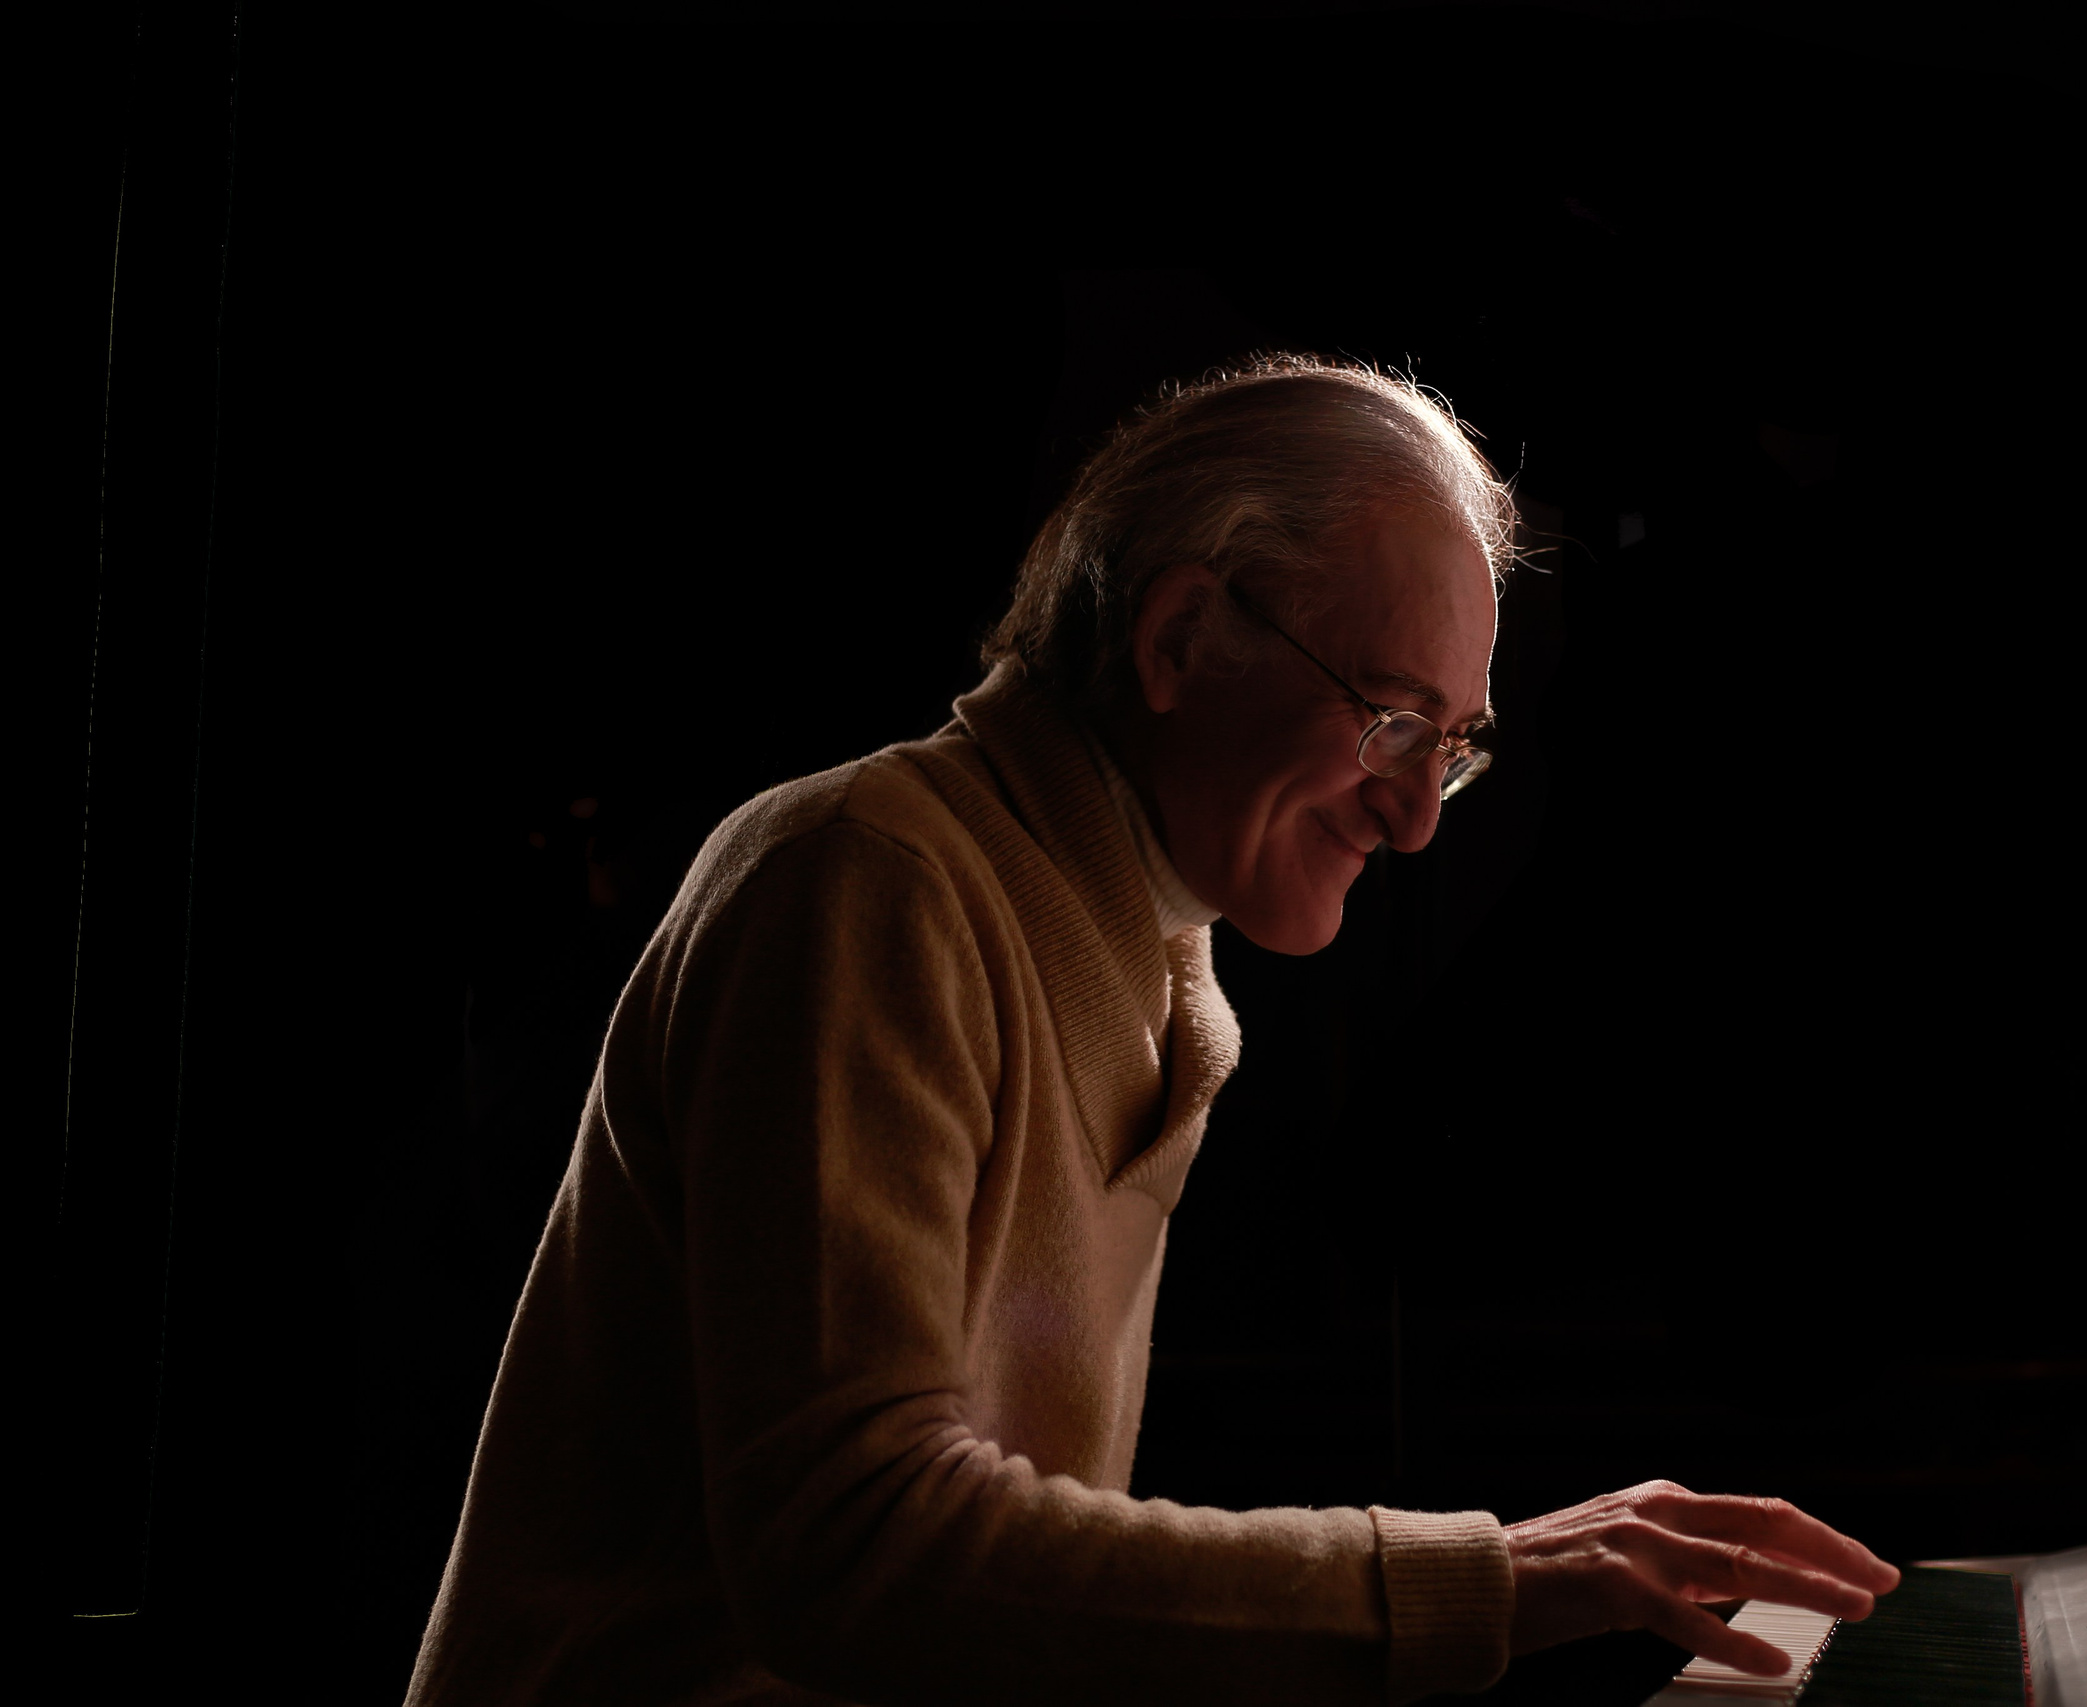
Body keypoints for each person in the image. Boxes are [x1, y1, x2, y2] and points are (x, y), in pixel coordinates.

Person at [406, 355, 1900, 1706]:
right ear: (1181, 634)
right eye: (1390, 722)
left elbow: (989, 1608)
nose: (1414, 814)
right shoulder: (871, 873)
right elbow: (850, 1556)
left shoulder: (1160, 959)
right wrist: (1486, 1580)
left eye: (1453, 750)